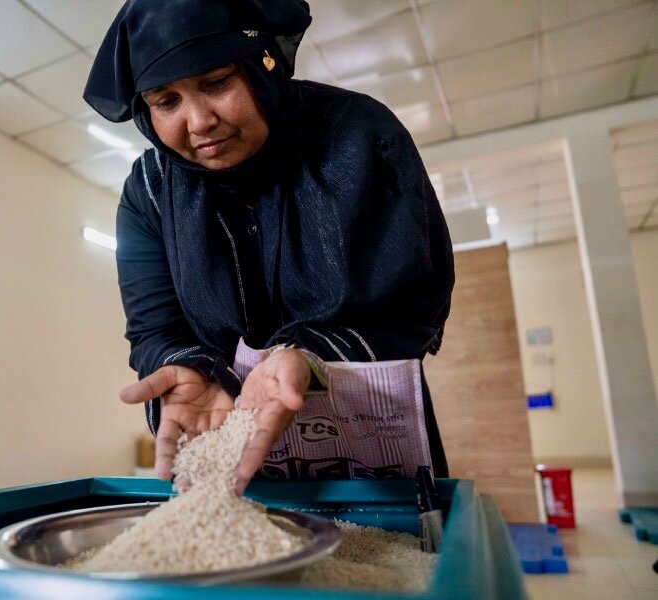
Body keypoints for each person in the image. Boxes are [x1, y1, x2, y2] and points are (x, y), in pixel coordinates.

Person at [84, 0, 454, 494]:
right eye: (166, 101)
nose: (198, 121)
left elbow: (412, 302)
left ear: (262, 65)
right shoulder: (149, 192)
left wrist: (309, 357)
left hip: (375, 459)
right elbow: (155, 328)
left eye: (216, 82)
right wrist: (188, 366)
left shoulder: (359, 138)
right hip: (228, 442)